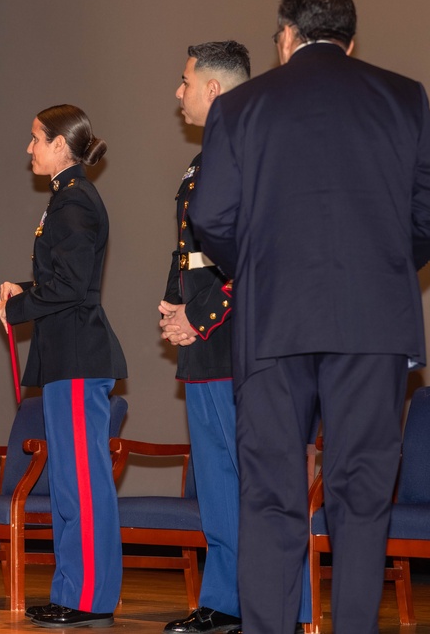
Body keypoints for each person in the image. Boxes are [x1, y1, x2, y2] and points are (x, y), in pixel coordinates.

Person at [190, 0, 430, 634]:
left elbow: (210, 216)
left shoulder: (242, 106)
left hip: (274, 324)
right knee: (362, 498)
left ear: (287, 36)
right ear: (351, 37)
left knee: (269, 496)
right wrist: (385, 269)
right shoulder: (403, 98)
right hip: (373, 326)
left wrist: (256, 272)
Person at [0, 104, 127, 629]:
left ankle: (90, 597)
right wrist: (23, 292)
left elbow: (72, 288)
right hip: (64, 358)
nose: (28, 149)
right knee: (69, 483)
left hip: (77, 358)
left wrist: (20, 304)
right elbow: (65, 284)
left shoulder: (73, 201)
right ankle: (74, 592)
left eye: (35, 139)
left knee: (83, 483)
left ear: (59, 145)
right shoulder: (66, 198)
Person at [158, 40, 250, 634]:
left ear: (214, 89)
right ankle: (223, 602)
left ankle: (275, 606)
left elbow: (258, 256)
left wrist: (203, 314)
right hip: (203, 343)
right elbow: (189, 250)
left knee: (256, 484)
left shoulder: (250, 151)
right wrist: (173, 305)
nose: (178, 92)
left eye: (185, 81)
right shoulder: (203, 160)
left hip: (239, 340)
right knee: (216, 484)